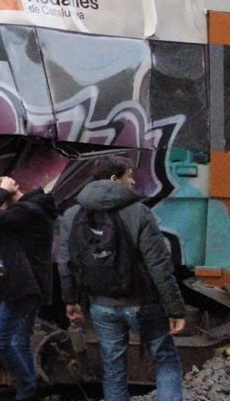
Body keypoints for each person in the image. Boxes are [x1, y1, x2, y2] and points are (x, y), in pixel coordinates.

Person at [57, 155, 186, 401]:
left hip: (101, 305)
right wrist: (175, 309)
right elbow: (159, 265)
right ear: (115, 179)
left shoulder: (73, 214)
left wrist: (70, 300)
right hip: (142, 304)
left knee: (114, 369)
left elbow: (66, 262)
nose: (133, 180)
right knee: (166, 359)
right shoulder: (139, 212)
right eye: (129, 175)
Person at [0, 176, 58, 401]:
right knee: (20, 339)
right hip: (32, 285)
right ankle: (30, 387)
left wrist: (1, 191)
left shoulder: (26, 212)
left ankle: (27, 387)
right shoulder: (34, 210)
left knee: (0, 340)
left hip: (21, 286)